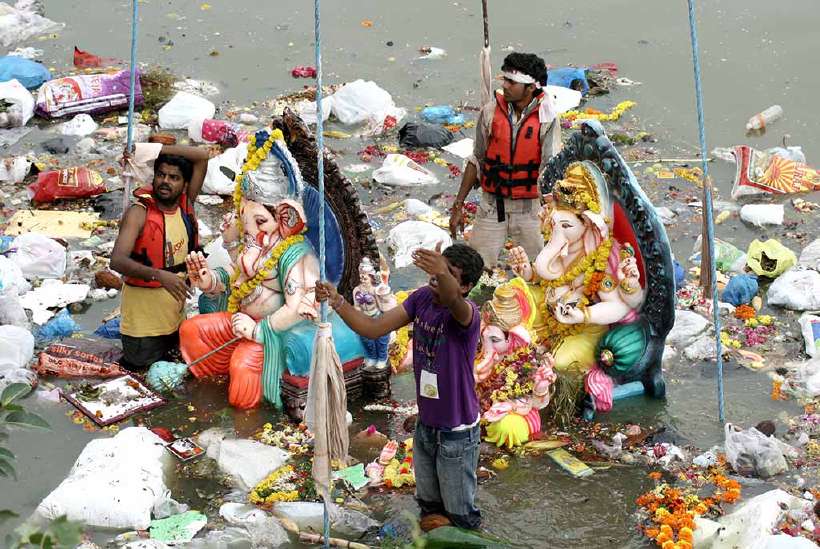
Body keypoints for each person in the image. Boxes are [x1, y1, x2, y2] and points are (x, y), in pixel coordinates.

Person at [315, 243, 485, 530]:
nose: (436, 278)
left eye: (449, 274)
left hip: (457, 433)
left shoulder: (467, 314)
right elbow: (373, 328)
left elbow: (454, 301)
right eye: (437, 270)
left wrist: (442, 272)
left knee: (461, 515)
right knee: (428, 505)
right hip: (427, 425)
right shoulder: (421, 300)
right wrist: (338, 301)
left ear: (466, 286)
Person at [449, 52, 562, 269]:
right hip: (492, 205)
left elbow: (551, 167)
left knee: (537, 269)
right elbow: (477, 159)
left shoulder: (547, 118)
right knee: (477, 269)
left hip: (529, 209)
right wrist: (458, 205)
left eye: (512, 82)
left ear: (530, 87)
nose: (506, 86)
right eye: (505, 80)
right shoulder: (490, 112)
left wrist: (553, 212)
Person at [110, 145, 211, 371]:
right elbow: (116, 260)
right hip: (142, 329)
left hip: (175, 320)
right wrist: (159, 276)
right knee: (144, 382)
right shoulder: (139, 212)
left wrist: (149, 149)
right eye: (161, 175)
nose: (165, 181)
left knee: (175, 379)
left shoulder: (186, 205)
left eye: (174, 177)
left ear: (184, 184)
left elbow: (203, 155)